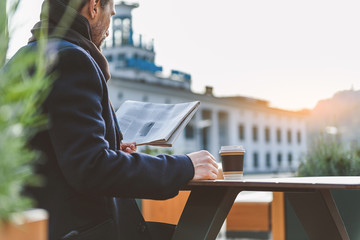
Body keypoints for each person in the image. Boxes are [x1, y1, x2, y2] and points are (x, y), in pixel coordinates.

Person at [7, 0, 219, 239]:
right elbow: (92, 168)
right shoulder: (72, 60)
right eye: (111, 13)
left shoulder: (19, 61)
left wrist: (111, 149)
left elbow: (51, 151)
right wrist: (185, 166)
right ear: (95, 6)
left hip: (33, 227)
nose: (109, 29)